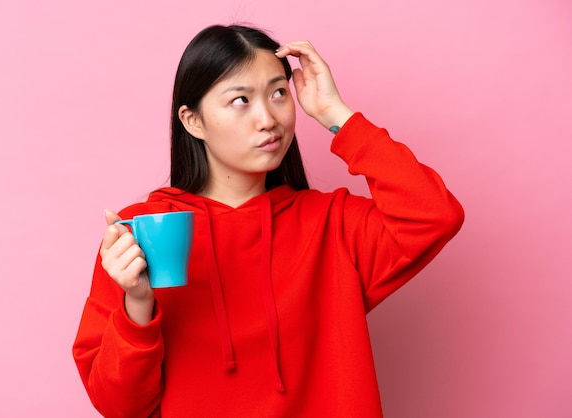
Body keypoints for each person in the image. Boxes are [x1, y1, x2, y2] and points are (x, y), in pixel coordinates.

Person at [72, 24, 464, 417]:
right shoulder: (142, 234)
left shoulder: (333, 225)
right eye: (240, 100)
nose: (267, 119)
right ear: (193, 122)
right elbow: (119, 407)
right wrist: (137, 302)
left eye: (278, 93)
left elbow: (434, 215)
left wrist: (336, 115)